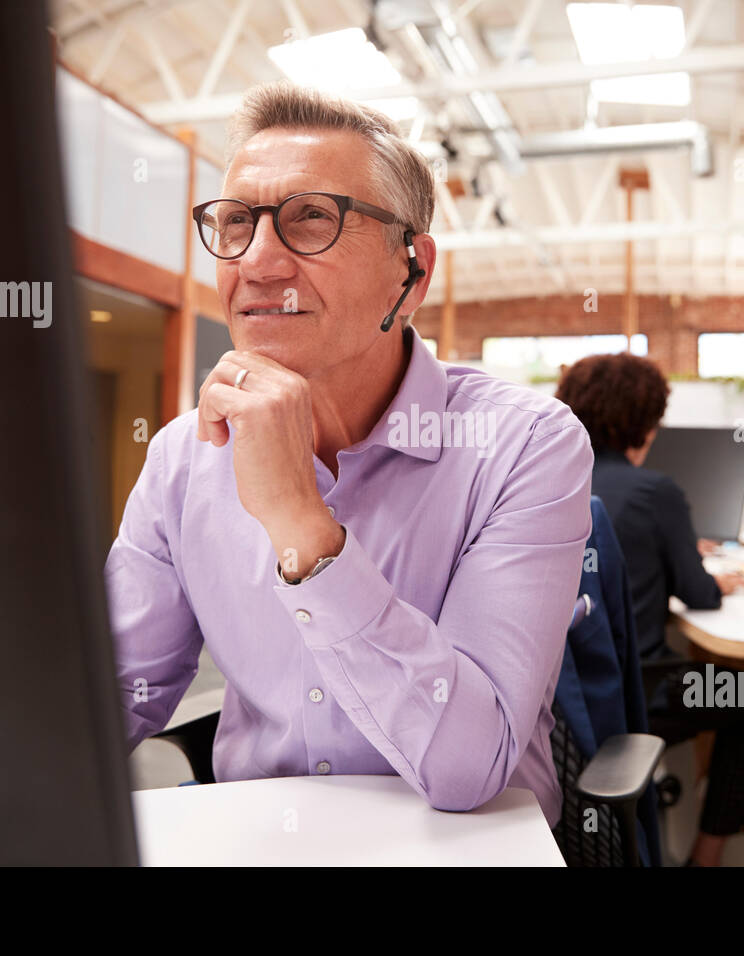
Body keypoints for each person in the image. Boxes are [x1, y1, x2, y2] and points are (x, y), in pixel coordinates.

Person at [105, 83, 593, 826]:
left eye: (310, 220)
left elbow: (469, 769)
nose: (257, 262)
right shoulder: (183, 458)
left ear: (413, 271)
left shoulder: (523, 446)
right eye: (235, 223)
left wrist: (300, 522)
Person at [556, 353, 744, 866]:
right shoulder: (656, 490)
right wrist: (716, 577)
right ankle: (707, 854)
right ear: (645, 424)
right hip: (641, 690)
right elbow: (700, 595)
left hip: (562, 702)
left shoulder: (546, 481)